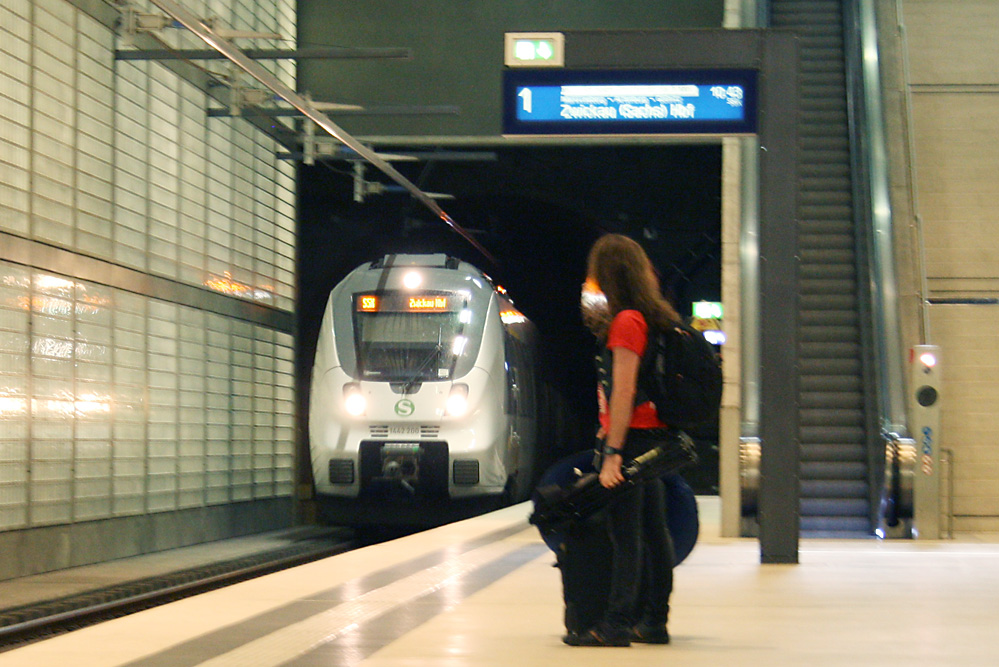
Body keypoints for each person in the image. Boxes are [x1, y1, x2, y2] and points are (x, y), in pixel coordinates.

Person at [570, 233, 679, 647]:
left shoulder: (626, 322)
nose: (591, 280)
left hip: (632, 440)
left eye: (595, 273)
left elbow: (625, 390)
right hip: (649, 437)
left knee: (626, 536)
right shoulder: (648, 317)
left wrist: (613, 451)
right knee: (652, 531)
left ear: (609, 274)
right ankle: (653, 621)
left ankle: (615, 625)